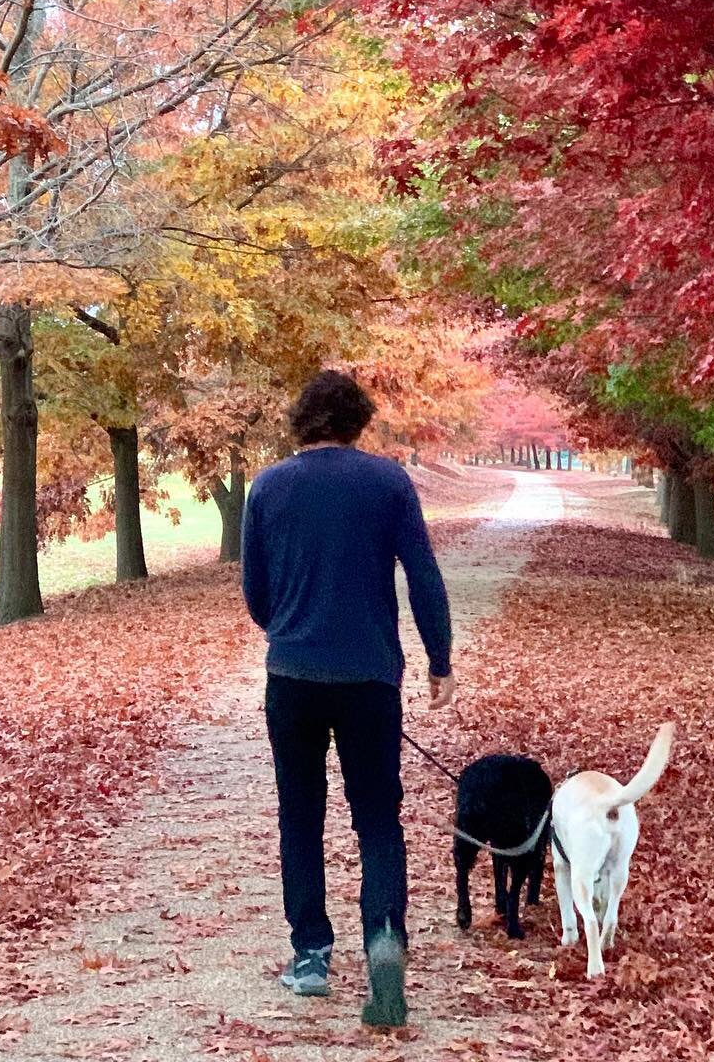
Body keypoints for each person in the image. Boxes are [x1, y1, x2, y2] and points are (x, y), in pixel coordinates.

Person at [241, 369, 455, 1029]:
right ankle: (385, 938)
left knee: (300, 816)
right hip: (370, 681)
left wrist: (290, 629)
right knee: (378, 819)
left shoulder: (268, 487)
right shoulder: (388, 482)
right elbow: (423, 575)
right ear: (358, 423)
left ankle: (309, 956)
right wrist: (439, 660)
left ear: (301, 419)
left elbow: (256, 591)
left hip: (294, 676)